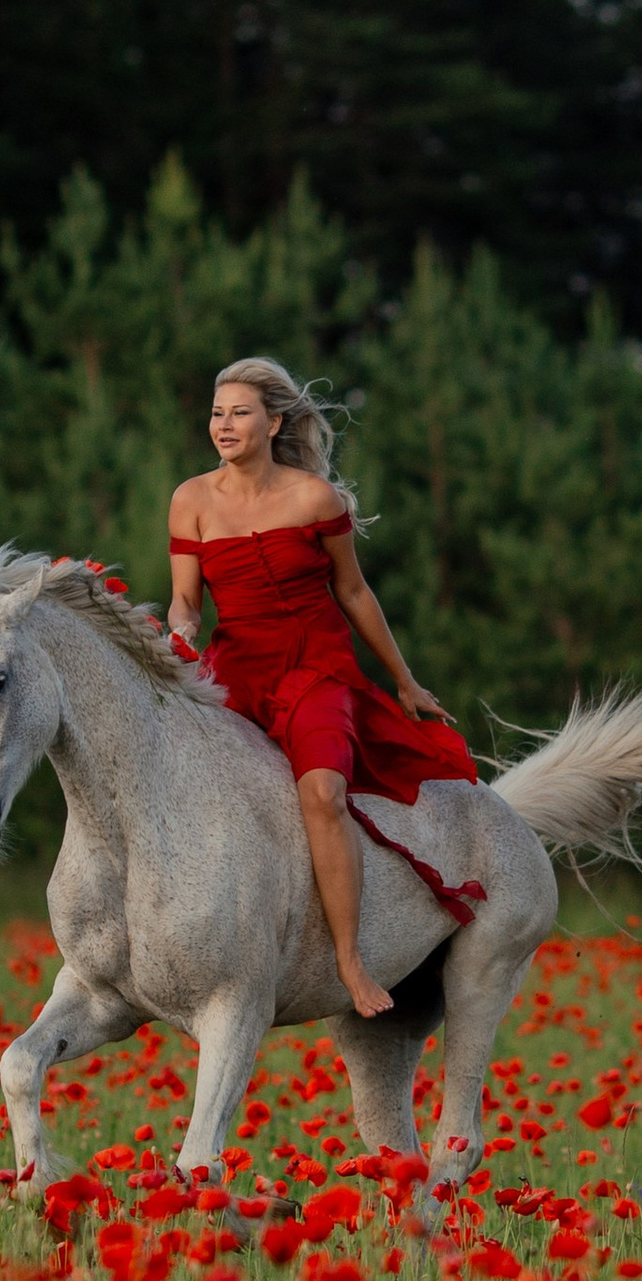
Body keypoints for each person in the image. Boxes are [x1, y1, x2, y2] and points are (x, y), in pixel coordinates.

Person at [168, 357, 479, 1017]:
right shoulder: (190, 500)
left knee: (322, 792)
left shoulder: (316, 499)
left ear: (274, 421)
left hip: (316, 668)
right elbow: (186, 604)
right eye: (218, 413)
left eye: (239, 412)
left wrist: (404, 681)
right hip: (234, 670)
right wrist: (180, 635)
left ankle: (348, 960)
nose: (224, 424)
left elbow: (354, 592)